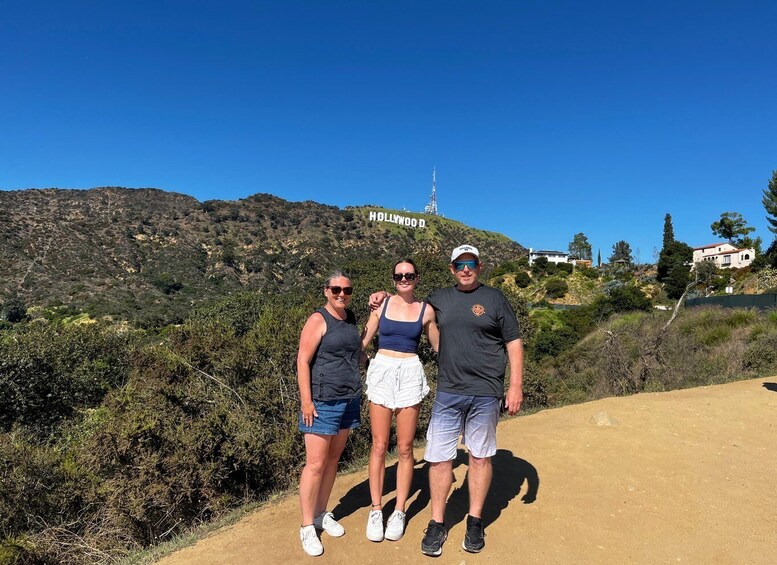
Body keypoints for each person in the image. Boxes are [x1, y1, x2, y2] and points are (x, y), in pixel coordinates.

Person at [369, 244, 523, 556]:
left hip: (486, 391)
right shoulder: (438, 299)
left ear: (479, 267)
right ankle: (437, 523)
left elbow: (514, 341)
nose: (465, 269)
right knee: (439, 458)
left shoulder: (495, 298)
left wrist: (515, 385)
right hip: (449, 391)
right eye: (459, 264)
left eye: (470, 263)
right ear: (451, 269)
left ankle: (475, 520)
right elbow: (406, 302)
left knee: (479, 456)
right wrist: (379, 295)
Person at [359, 259, 439, 543]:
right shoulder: (381, 305)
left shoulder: (426, 310)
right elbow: (363, 340)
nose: (404, 279)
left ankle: (400, 510)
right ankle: (377, 508)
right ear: (393, 278)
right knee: (379, 445)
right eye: (399, 275)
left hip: (409, 374)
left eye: (409, 275)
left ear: (417, 278)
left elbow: (439, 346)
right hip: (382, 371)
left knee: (405, 447)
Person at [297, 272, 362, 557]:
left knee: (333, 459)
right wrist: (306, 401)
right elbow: (302, 360)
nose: (341, 294)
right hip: (322, 401)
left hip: (348, 399)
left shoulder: (350, 318)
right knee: (315, 464)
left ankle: (322, 513)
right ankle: (307, 525)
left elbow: (357, 352)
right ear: (326, 291)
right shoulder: (317, 320)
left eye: (346, 290)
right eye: (336, 289)